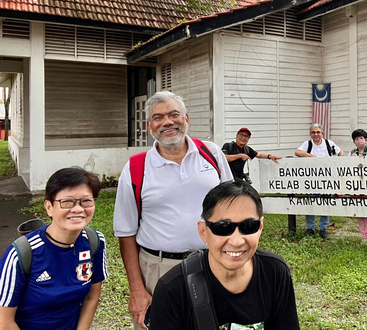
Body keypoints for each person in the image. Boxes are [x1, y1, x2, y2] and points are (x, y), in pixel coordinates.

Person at [113, 91, 233, 329]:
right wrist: (137, 290)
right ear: (149, 126)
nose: (167, 122)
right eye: (158, 117)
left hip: (215, 262)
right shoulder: (136, 168)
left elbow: (232, 207)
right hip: (158, 269)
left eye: (173, 114)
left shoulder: (211, 154)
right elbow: (125, 232)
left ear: (186, 119)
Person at [149, 179, 300, 329]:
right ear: (203, 232)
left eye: (248, 226)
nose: (236, 241)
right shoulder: (172, 290)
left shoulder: (275, 272)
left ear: (260, 227)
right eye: (223, 227)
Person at [0, 167, 108, 330]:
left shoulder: (95, 242)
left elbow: (91, 297)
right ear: (49, 206)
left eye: (86, 201)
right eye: (67, 202)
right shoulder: (20, 255)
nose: (78, 209)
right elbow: (4, 321)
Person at [295, 123, 344, 239]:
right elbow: (297, 152)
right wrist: (313, 158)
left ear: (322, 133)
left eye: (318, 132)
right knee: (310, 202)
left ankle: (323, 228)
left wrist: (338, 162)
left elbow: (340, 152)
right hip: (312, 179)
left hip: (327, 178)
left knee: (326, 203)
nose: (316, 134)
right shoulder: (307, 144)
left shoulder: (328, 143)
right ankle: (310, 228)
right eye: (313, 132)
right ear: (310, 134)